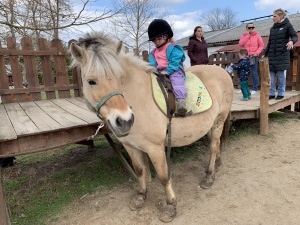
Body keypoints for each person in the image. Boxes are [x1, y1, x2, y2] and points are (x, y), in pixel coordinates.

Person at [148, 19, 188, 116]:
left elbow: (175, 61)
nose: (156, 42)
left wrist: (168, 70)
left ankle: (181, 101)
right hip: (160, 71)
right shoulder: (153, 52)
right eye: (154, 40)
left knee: (176, 81)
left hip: (174, 70)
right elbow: (152, 63)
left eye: (158, 39)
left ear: (166, 37)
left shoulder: (173, 48)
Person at [262, 8, 298, 100]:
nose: (273, 18)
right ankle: (272, 93)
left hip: (282, 55)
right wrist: (265, 53)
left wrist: (291, 42)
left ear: (280, 16)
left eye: (274, 16)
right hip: (272, 56)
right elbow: (269, 43)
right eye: (272, 16)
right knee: (272, 77)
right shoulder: (272, 28)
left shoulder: (287, 25)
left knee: (281, 77)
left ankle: (281, 93)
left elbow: (295, 36)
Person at [238, 22, 264, 95]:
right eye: (249, 28)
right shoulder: (244, 35)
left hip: (253, 56)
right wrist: (247, 36)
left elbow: (261, 46)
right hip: (245, 57)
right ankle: (243, 88)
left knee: (254, 72)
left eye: (252, 27)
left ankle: (255, 88)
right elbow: (241, 44)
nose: (251, 29)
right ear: (247, 28)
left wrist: (256, 53)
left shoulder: (257, 36)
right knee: (243, 73)